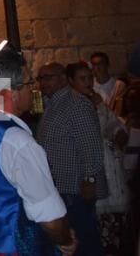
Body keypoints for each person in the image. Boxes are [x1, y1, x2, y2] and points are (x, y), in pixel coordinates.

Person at [0, 49, 76, 256]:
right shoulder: (18, 142)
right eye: (28, 83)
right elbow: (50, 218)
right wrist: (66, 240)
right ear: (11, 92)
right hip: (16, 250)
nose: (33, 89)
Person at [36, 61, 105, 256]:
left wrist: (89, 180)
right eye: (40, 78)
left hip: (76, 189)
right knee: (72, 242)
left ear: (63, 78)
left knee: (85, 242)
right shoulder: (52, 104)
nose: (42, 83)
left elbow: (91, 147)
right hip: (61, 188)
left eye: (47, 77)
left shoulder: (77, 104)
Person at [68, 60, 129, 254]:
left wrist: (119, 135)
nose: (88, 82)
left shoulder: (98, 101)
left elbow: (115, 127)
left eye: (90, 78)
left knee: (117, 236)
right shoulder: (70, 106)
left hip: (112, 167)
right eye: (82, 78)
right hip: (91, 177)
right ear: (71, 81)